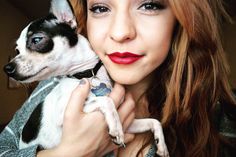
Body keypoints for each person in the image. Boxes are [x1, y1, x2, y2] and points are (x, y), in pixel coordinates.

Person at [0, 0, 235, 156]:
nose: (120, 32)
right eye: (101, 8)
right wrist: (68, 152)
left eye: (149, 4)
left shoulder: (221, 120)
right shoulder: (52, 84)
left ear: (181, 17)